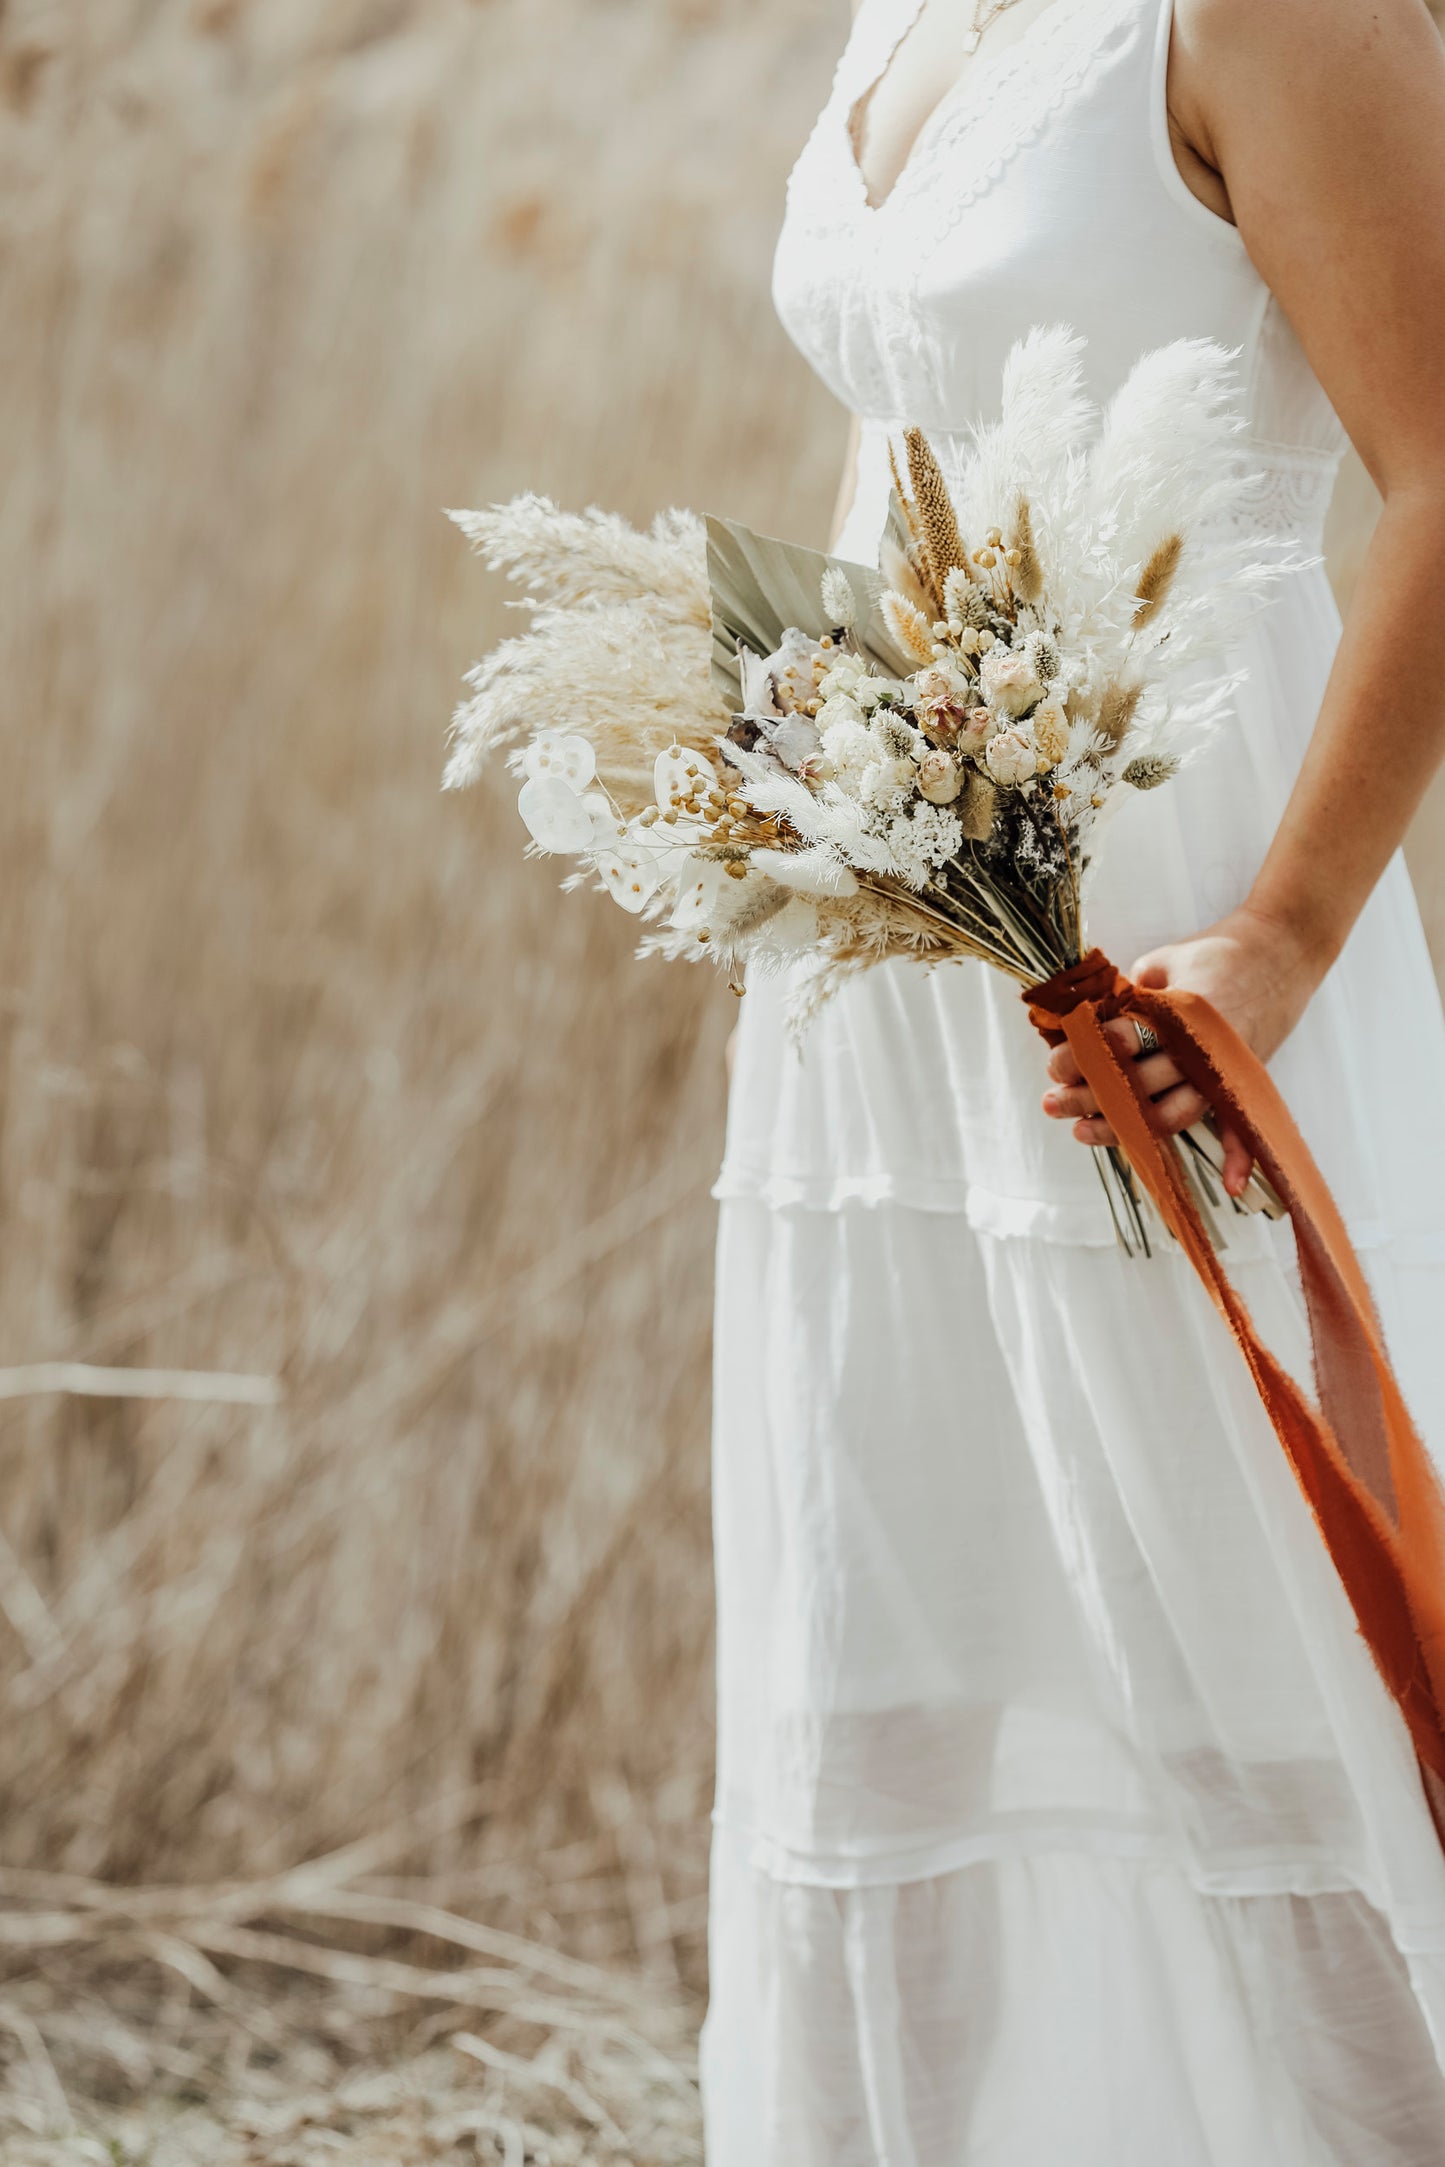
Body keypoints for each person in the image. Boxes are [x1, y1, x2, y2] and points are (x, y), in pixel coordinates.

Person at [703, 0, 1445, 2158]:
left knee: (1267, 1660)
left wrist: (1284, 932)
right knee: (897, 1656)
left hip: (1182, 928)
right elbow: (908, 433)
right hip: (904, 941)